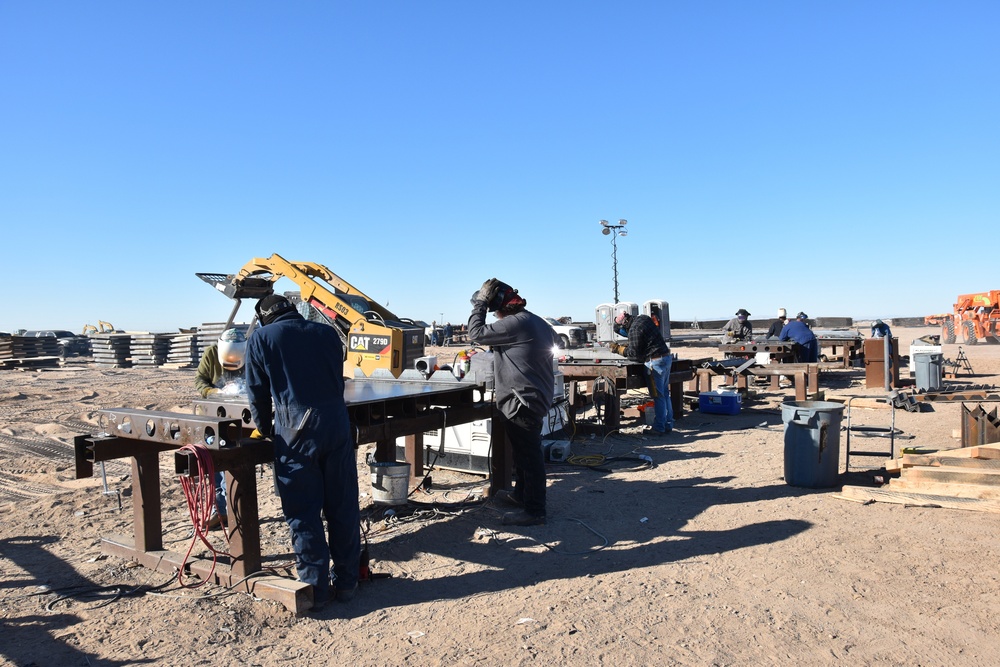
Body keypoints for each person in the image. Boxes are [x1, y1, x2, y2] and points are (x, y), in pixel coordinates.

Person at [245, 294, 361, 608]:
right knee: (343, 506)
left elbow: (256, 393)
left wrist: (266, 428)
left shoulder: (261, 338)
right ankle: (348, 582)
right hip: (337, 426)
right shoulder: (325, 333)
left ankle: (316, 590)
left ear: (264, 316)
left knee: (304, 513)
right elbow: (336, 381)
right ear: (292, 309)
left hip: (295, 431)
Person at [468, 278, 555, 527]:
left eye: (492, 308)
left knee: (529, 457)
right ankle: (521, 495)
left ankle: (535, 510)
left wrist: (480, 305)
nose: (494, 315)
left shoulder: (514, 323)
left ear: (498, 305)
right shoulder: (535, 321)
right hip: (534, 396)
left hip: (522, 400)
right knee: (522, 453)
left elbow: (475, 333)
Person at [193, 327, 248, 529]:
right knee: (213, 463)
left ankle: (232, 511)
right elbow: (199, 380)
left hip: (239, 418)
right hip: (212, 416)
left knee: (233, 464)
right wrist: (214, 391)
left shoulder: (249, 353)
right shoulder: (211, 354)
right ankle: (220, 510)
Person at [612, 311, 673, 435]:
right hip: (666, 358)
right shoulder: (643, 319)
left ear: (625, 324)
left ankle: (659, 427)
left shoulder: (634, 330)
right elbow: (642, 340)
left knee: (658, 396)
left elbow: (634, 354)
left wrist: (619, 349)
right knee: (665, 394)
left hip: (655, 363)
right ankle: (668, 424)